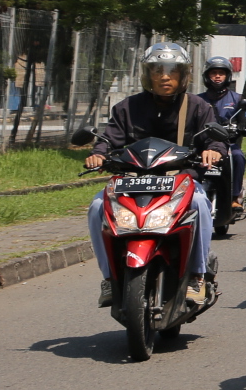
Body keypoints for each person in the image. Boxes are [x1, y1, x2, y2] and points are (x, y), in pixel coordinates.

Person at [85, 42, 224, 307]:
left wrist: (214, 150)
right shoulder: (126, 107)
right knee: (96, 207)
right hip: (133, 181)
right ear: (147, 75)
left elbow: (213, 137)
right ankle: (109, 278)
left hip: (180, 179)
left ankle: (197, 275)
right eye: (158, 70)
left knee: (200, 203)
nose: (164, 77)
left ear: (183, 75)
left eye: (172, 71)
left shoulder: (198, 106)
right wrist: (99, 154)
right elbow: (109, 138)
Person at [196, 55, 246, 218]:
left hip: (229, 144)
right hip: (204, 145)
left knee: (238, 157)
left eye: (221, 73)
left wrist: (244, 126)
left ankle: (234, 197)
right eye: (213, 73)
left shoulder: (238, 99)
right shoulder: (197, 100)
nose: (217, 76)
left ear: (228, 76)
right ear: (207, 76)